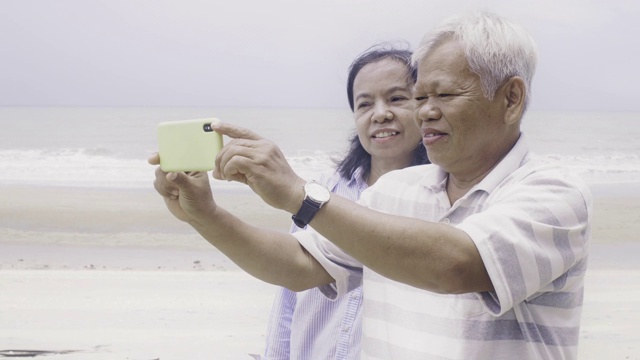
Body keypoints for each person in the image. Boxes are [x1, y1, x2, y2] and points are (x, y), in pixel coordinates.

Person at [150, 10, 592, 359]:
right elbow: (300, 267)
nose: (425, 112)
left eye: (443, 95)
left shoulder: (554, 194)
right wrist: (204, 215)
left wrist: (298, 194)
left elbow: (457, 264)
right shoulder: (394, 191)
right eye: (419, 98)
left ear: (511, 98)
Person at [262, 45, 428, 360]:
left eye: (396, 98)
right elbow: (289, 296)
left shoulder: (443, 197)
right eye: (365, 104)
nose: (380, 114)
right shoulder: (323, 189)